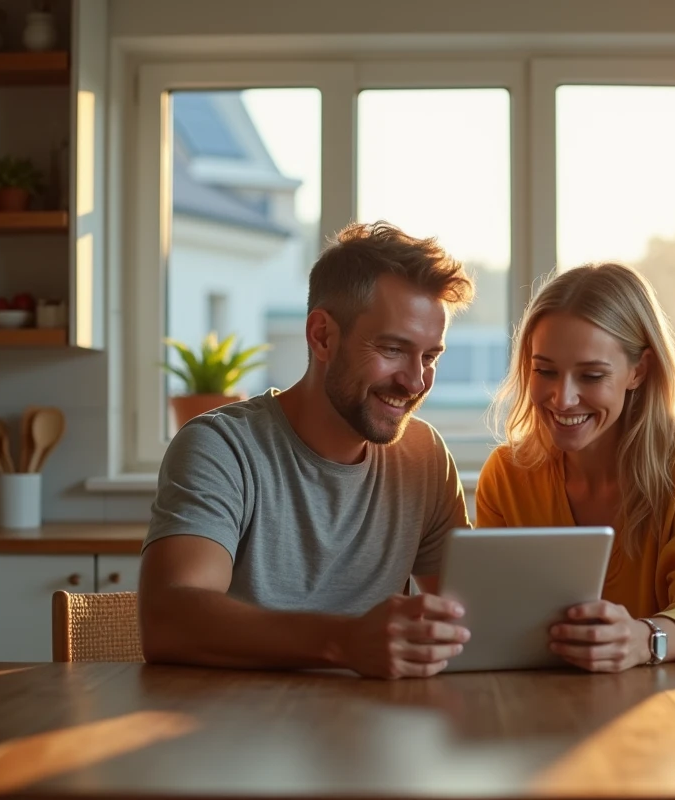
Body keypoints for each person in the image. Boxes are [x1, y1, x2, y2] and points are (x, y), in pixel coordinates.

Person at [140, 221, 474, 679]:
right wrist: (344, 642)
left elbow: (470, 622)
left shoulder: (424, 457)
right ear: (322, 336)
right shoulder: (221, 447)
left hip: (371, 733)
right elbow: (169, 622)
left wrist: (595, 632)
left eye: (430, 357)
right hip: (230, 733)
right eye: (394, 349)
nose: (415, 381)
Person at [476, 262, 675, 671]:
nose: (562, 398)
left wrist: (643, 639)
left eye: (591, 375)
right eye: (544, 371)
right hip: (576, 702)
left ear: (639, 371)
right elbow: (496, 617)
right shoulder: (506, 474)